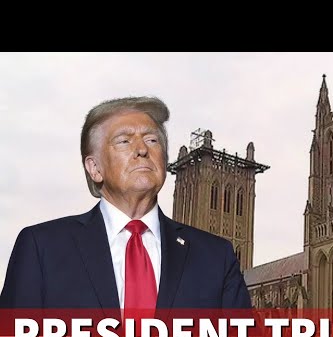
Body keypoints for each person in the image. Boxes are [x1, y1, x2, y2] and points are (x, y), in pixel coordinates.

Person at [0, 96, 253, 322]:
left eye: (152, 140)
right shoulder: (41, 248)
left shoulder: (216, 257)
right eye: (124, 141)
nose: (142, 149)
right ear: (94, 168)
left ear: (164, 163)